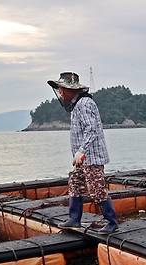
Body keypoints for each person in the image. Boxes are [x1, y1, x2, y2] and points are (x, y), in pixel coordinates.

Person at [47, 72, 118, 234]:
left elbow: (91, 129)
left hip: (91, 156)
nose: (60, 93)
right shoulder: (77, 105)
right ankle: (74, 219)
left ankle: (112, 222)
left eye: (62, 89)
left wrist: (81, 151)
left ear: (71, 90)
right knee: (75, 184)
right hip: (82, 159)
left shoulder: (85, 103)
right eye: (59, 90)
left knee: (96, 188)